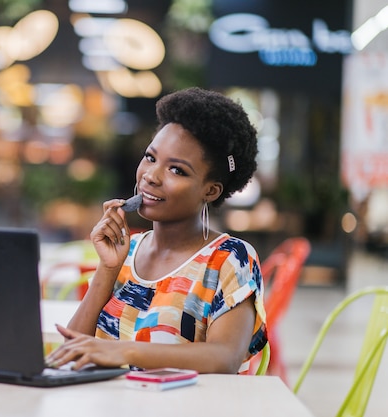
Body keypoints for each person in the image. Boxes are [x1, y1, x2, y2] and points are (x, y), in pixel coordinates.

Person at [45, 87, 267, 374]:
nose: (151, 176)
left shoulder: (229, 258)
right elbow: (71, 354)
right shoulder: (129, 251)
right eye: (151, 157)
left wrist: (123, 350)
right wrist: (107, 269)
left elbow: (224, 358)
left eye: (177, 170)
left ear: (210, 190)